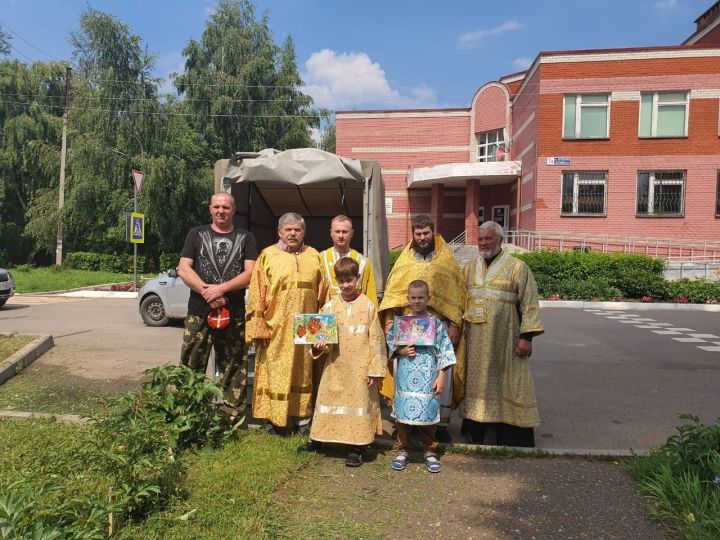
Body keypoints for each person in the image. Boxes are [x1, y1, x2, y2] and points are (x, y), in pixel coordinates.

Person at [378, 214, 466, 441]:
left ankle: (437, 425)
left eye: (426, 233)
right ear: (413, 234)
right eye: (418, 234)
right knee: (404, 374)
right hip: (407, 329)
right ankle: (405, 423)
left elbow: (458, 293)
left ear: (433, 232)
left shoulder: (445, 260)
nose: (422, 237)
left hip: (438, 328)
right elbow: (392, 295)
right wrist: (388, 320)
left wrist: (455, 323)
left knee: (437, 376)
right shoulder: (404, 261)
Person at [460, 221, 544, 447]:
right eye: (480, 239)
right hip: (475, 340)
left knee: (510, 382)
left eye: (488, 239)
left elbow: (529, 303)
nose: (483, 243)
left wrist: (526, 337)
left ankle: (512, 435)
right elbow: (460, 301)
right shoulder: (469, 268)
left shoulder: (518, 267)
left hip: (505, 339)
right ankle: (476, 432)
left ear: (500, 240)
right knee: (476, 384)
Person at [178, 192, 258, 423]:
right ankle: (188, 414)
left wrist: (221, 289)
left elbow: (251, 273)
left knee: (234, 365)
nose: (221, 211)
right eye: (217, 207)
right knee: (191, 363)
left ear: (233, 210)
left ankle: (230, 417)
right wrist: (207, 291)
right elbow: (184, 269)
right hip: (198, 311)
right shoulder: (196, 234)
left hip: (233, 313)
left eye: (226, 207)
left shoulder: (246, 237)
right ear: (210, 209)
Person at [246, 212, 328, 434]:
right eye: (288, 229)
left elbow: (324, 296)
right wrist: (258, 327)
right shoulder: (267, 256)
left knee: (303, 371)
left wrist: (321, 335)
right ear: (280, 232)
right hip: (276, 328)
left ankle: (302, 420)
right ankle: (275, 421)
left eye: (297, 230)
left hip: (306, 327)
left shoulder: (315, 256)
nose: (293, 233)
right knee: (276, 372)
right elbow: (256, 293)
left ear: (304, 233)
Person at [306, 257, 387, 467]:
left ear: (358, 278)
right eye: (341, 281)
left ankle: (358, 447)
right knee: (328, 400)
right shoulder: (330, 306)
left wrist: (375, 370)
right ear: (337, 281)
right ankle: (318, 440)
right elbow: (320, 338)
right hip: (335, 366)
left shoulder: (368, 306)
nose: (346, 285)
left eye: (349, 280)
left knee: (358, 405)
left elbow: (376, 340)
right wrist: (319, 346)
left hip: (360, 367)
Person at [387, 280, 456, 473]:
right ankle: (402, 449)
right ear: (408, 299)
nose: (417, 301)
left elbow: (445, 349)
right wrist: (400, 351)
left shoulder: (435, 324)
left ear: (428, 299)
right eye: (413, 298)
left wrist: (442, 374)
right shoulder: (401, 323)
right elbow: (390, 341)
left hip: (428, 376)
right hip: (406, 377)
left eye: (421, 297)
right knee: (402, 416)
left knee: (428, 412)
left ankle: (430, 450)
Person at [319, 215, 378, 305]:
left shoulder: (363, 262)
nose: (341, 235)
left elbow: (370, 295)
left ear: (352, 233)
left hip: (356, 312)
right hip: (328, 315)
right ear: (331, 233)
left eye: (345, 232)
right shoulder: (320, 259)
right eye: (337, 231)